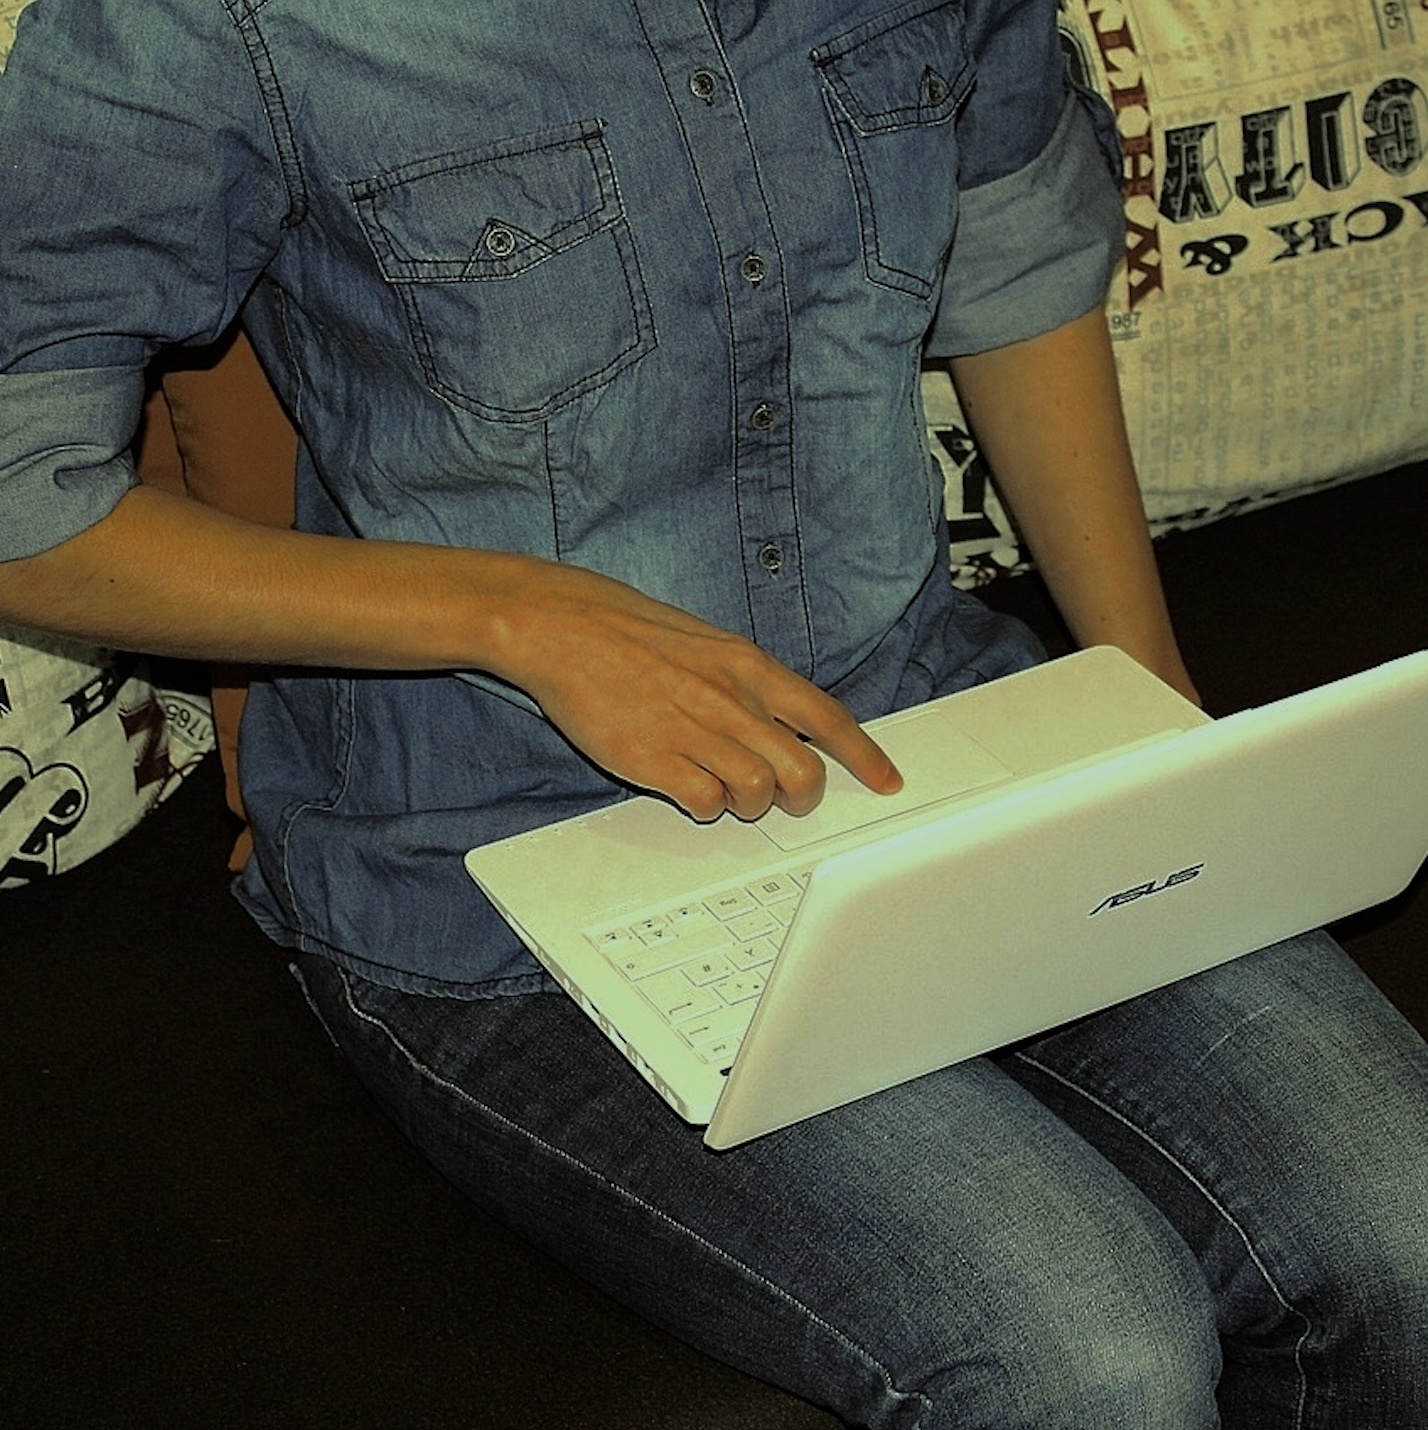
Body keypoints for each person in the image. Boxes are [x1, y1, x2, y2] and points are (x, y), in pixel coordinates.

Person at [2, 2, 1427, 1424]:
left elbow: (1014, 233)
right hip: (492, 855)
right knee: (1094, 1355)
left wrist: (1142, 691)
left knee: (1407, 1226)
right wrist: (515, 613)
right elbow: (23, 495)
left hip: (925, 723)